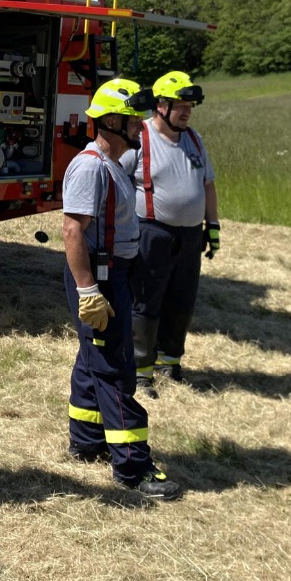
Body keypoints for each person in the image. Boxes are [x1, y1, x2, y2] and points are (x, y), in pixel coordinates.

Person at [62, 77, 182, 500]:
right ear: (111, 122)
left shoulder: (113, 163)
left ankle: (86, 440)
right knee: (114, 366)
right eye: (133, 121)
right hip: (100, 277)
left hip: (113, 273)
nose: (139, 127)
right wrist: (87, 291)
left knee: (93, 357)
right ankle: (133, 467)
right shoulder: (91, 167)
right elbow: (72, 232)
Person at [120, 70, 219, 396]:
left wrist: (213, 225)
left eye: (190, 106)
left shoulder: (194, 139)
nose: (187, 112)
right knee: (146, 301)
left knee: (181, 299)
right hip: (152, 233)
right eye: (181, 105)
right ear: (160, 106)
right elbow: (116, 180)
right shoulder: (141, 138)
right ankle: (140, 372)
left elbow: (207, 184)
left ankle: (169, 362)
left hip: (190, 237)